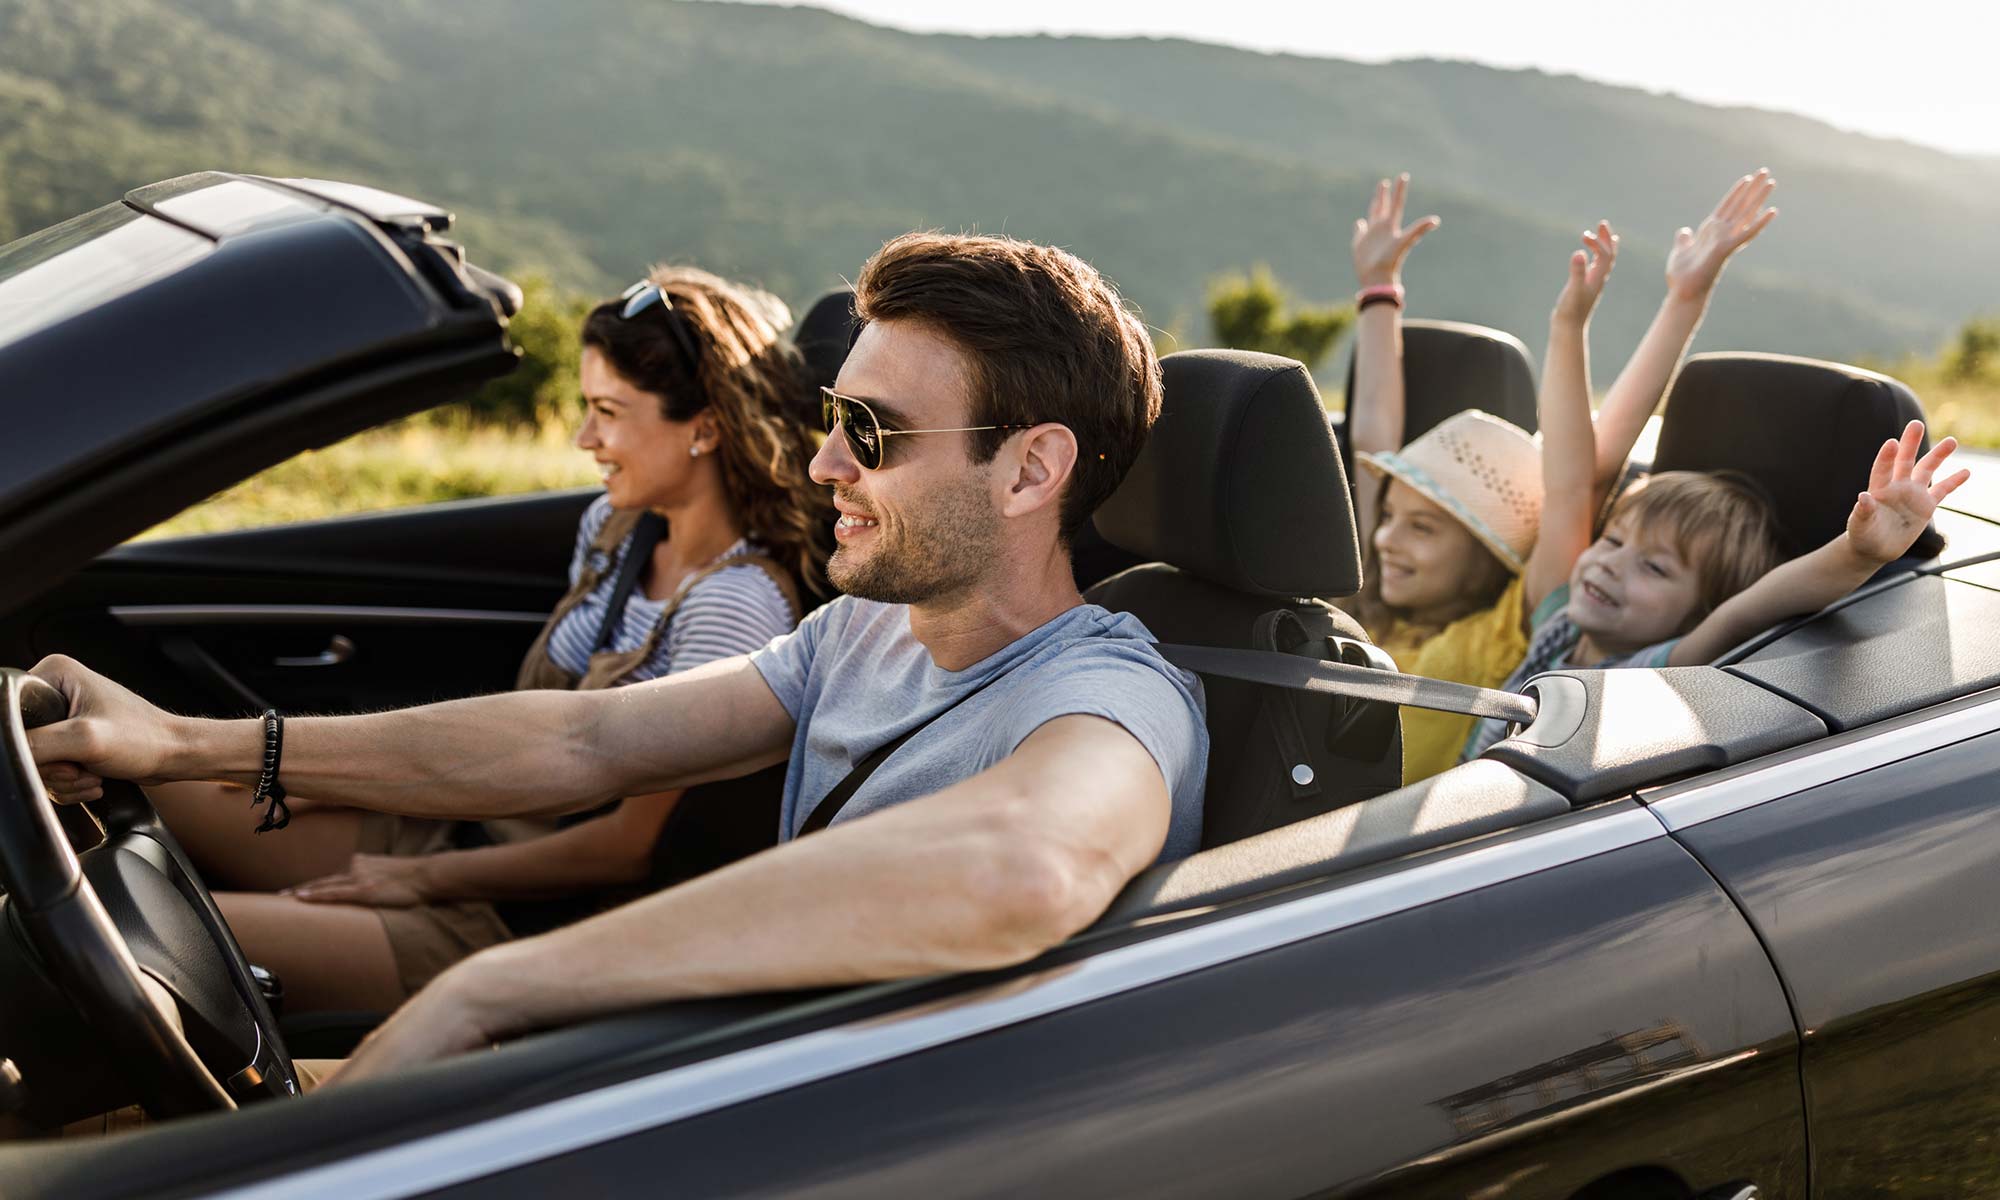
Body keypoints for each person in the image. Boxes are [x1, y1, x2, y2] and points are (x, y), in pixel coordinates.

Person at [29, 231, 1208, 1089]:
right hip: (725, 1077)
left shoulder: (1107, 696)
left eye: (872, 434)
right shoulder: (862, 631)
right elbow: (584, 737)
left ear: (1030, 471)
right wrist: (186, 743)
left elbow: (1021, 869)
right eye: (827, 422)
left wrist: (499, 989)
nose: (821, 471)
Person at [136, 266, 834, 1015]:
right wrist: (324, 780)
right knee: (143, 782)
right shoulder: (616, 530)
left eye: (608, 411)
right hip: (459, 827)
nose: (583, 437)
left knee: (145, 935)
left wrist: (416, 884)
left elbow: (622, 849)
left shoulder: (734, 607)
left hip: (522, 913)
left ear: (704, 427)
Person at [1460, 204, 1968, 760]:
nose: (1610, 563)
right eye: (1612, 540)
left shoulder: (1656, 667)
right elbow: (1569, 484)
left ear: (1694, 614)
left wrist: (1858, 553)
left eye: (1655, 567)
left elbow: (1756, 605)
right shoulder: (1556, 618)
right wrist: (1574, 323)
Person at [1346, 171, 1781, 783]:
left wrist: (1683, 300)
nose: (1388, 537)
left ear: (1487, 554)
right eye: (1391, 516)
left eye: (1423, 528)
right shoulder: (1371, 576)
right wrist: (1378, 291)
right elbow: (1372, 435)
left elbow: (1581, 480)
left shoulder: (1508, 628)